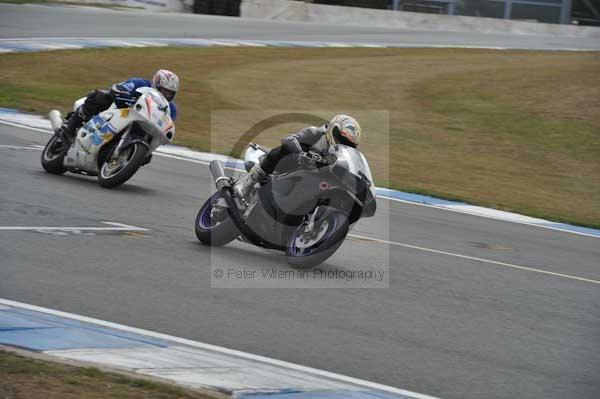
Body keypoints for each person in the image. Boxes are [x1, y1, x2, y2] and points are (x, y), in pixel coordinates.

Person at [235, 114, 362, 200]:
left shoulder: (342, 155)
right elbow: (289, 139)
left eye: (348, 144)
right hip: (292, 167)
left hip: (313, 182)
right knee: (281, 150)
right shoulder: (316, 133)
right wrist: (300, 154)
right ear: (333, 129)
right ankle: (248, 182)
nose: (343, 144)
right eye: (342, 139)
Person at [57, 69, 180, 143]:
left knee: (147, 156)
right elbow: (117, 88)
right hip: (119, 112)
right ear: (156, 84)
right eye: (164, 90)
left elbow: (167, 125)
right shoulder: (139, 83)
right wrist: (123, 92)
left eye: (170, 93)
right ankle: (70, 128)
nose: (166, 95)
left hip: (141, 127)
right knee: (98, 96)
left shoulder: (171, 109)